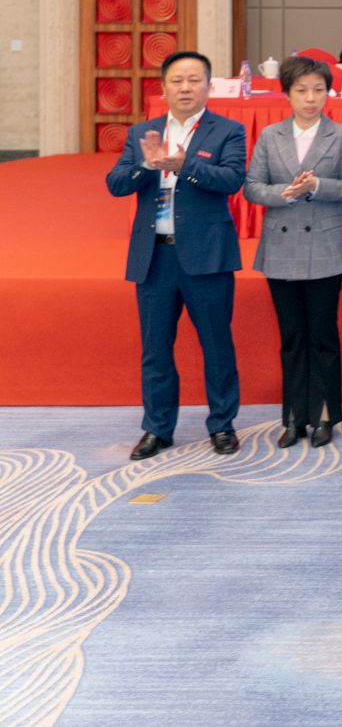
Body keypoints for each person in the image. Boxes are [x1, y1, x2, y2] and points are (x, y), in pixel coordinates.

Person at [105, 50, 247, 459]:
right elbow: (116, 183)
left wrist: (186, 165)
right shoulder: (143, 132)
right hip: (155, 258)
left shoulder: (228, 130)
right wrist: (147, 166)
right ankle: (157, 428)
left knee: (216, 345)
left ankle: (222, 425)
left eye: (194, 80)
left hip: (207, 255)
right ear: (164, 87)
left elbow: (232, 179)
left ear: (208, 86)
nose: (185, 88)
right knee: (155, 348)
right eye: (177, 81)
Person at [242, 55, 342, 447]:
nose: (310, 98)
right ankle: (294, 417)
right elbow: (252, 187)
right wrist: (286, 192)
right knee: (292, 336)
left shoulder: (341, 135)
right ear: (287, 94)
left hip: (325, 246)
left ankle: (325, 415)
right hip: (281, 246)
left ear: (328, 93)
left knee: (323, 335)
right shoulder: (270, 135)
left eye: (318, 90)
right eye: (301, 90)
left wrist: (318, 186)